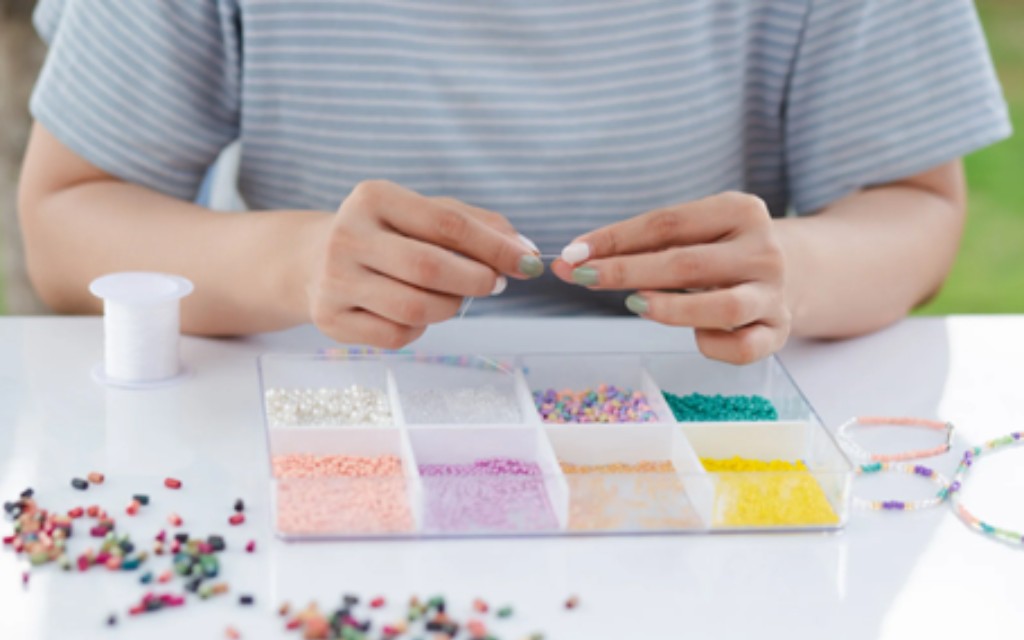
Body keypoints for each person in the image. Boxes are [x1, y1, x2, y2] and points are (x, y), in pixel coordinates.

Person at [17, 1, 1010, 364]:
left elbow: (914, 206)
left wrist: (793, 270)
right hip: (321, 403)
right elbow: (67, 223)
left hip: (700, 410)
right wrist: (296, 261)